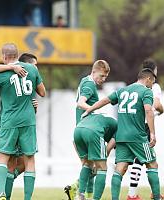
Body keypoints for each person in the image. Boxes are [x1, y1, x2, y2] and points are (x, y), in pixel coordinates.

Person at [0, 43, 46, 200]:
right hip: (28, 121)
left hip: (9, 121)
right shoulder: (32, 69)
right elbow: (42, 92)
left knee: (4, 159)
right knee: (29, 160)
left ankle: (1, 193)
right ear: (17, 55)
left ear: (4, 57)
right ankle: (27, 198)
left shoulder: (1, 74)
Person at [83, 68, 161, 200]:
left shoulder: (123, 90)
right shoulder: (146, 91)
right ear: (148, 79)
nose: (152, 86)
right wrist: (152, 133)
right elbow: (149, 110)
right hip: (138, 136)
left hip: (121, 136)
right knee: (152, 164)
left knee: (120, 169)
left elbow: (104, 100)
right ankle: (158, 198)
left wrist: (89, 109)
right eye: (152, 82)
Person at [65, 60, 110, 200]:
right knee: (97, 166)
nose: (102, 79)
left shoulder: (85, 80)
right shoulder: (90, 85)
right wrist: (93, 109)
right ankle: (78, 190)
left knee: (88, 165)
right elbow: (80, 102)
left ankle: (80, 193)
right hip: (89, 131)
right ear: (94, 71)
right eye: (101, 76)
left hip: (80, 130)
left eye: (105, 77)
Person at [127, 59, 163, 200]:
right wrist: (161, 110)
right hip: (145, 126)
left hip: (131, 125)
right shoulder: (154, 86)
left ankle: (132, 193)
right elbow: (156, 103)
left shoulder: (135, 85)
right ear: (152, 72)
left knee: (136, 161)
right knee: (150, 162)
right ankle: (153, 195)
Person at [74, 113, 117, 200]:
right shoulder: (120, 129)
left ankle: (80, 195)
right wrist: (99, 164)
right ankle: (96, 198)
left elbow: (74, 142)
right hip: (93, 131)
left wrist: (86, 161)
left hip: (77, 130)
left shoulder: (103, 120)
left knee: (87, 164)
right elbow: (107, 150)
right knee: (102, 168)